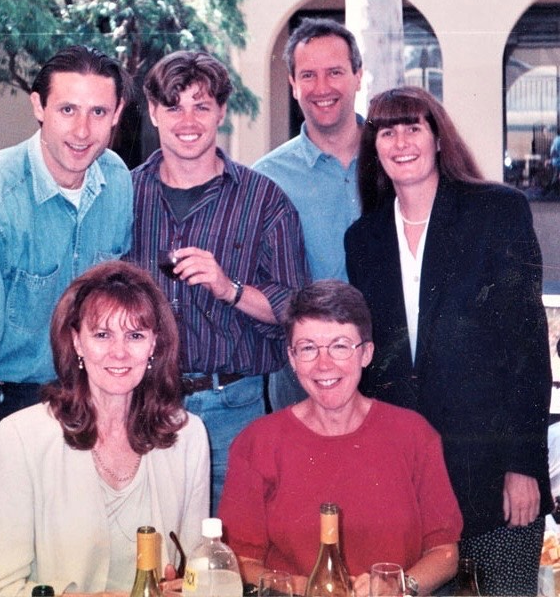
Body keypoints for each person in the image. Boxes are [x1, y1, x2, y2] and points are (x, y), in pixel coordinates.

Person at [345, 86, 552, 596]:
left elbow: (528, 347)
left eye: (413, 127)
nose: (400, 141)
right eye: (386, 132)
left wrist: (523, 464)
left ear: (438, 138)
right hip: (408, 481)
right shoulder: (364, 239)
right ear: (374, 149)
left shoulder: (496, 212)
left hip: (494, 474)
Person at [0, 45, 133, 542]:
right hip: (9, 412)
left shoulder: (117, 181)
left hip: (92, 408)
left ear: (117, 115)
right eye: (67, 109)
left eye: (98, 112)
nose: (82, 131)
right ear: (38, 107)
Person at [127, 50, 310, 514]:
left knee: (235, 556)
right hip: (143, 405)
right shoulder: (123, 195)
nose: (188, 120)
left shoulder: (263, 199)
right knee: (151, 553)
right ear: (153, 111)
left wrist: (229, 288)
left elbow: (294, 311)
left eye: (201, 106)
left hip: (235, 408)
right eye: (174, 106)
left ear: (221, 112)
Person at [0, 261, 210, 596]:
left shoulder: (188, 436)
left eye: (135, 335)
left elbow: (197, 573)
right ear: (76, 342)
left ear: (154, 345)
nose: (119, 352)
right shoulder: (21, 438)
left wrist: (188, 585)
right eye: (102, 334)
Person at [218, 280, 462, 597]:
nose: (324, 364)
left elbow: (445, 553)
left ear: (367, 353)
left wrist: (401, 586)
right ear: (291, 359)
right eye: (308, 348)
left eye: (340, 346)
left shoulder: (415, 435)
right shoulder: (256, 443)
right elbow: (240, 559)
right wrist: (295, 586)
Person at [253, 17, 364, 410]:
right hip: (302, 383)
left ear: (358, 76)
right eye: (308, 75)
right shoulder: (264, 181)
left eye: (335, 72)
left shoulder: (395, 161)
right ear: (292, 84)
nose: (322, 88)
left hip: (392, 371)